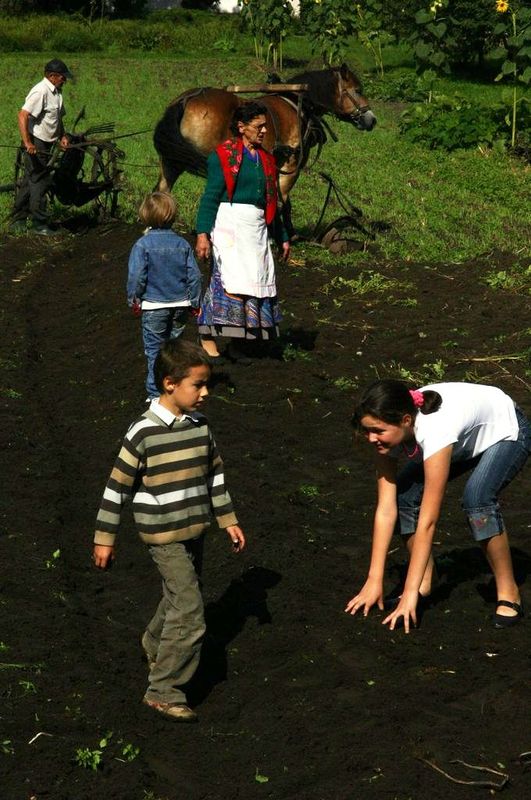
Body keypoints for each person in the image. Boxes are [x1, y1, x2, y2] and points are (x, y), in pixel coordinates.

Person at [93, 339, 246, 722]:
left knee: (180, 594)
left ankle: (154, 641)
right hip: (162, 533)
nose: (206, 393)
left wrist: (228, 520)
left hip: (194, 528)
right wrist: (104, 538)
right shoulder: (143, 433)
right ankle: (163, 690)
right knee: (190, 608)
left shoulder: (200, 427)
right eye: (198, 385)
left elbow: (215, 476)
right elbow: (116, 488)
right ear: (169, 384)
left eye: (207, 384)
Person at [345, 379, 530, 633]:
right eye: (367, 431)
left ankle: (509, 591)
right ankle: (424, 579)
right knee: (403, 495)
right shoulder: (387, 435)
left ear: (406, 421)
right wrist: (373, 580)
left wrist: (408, 593)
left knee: (477, 499)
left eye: (377, 431)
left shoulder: (435, 430)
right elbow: (386, 509)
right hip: (463, 439)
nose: (371, 438)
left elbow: (428, 521)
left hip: (506, 430)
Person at [195, 102, 290, 364]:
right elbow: (210, 197)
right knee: (229, 281)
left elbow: (271, 202)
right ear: (241, 127)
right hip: (231, 225)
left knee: (253, 282)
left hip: (256, 230)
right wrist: (202, 233)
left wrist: (282, 236)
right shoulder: (223, 156)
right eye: (259, 126)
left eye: (265, 126)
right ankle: (207, 336)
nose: (264, 131)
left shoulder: (266, 160)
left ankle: (242, 344)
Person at [127, 192, 202, 401]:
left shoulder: (142, 245)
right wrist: (195, 302)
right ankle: (175, 389)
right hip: (181, 305)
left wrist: (134, 299)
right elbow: (194, 276)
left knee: (155, 351)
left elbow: (136, 276)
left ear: (145, 215)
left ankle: (155, 395)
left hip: (154, 306)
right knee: (173, 351)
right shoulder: (182, 244)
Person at [11, 58, 72, 235]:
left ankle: (18, 219)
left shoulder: (57, 93)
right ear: (52, 76)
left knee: (29, 180)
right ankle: (39, 224)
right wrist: (28, 142)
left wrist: (62, 136)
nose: (65, 80)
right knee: (41, 180)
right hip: (36, 141)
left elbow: (57, 119)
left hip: (47, 143)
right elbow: (22, 115)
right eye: (62, 77)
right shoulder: (40, 91)